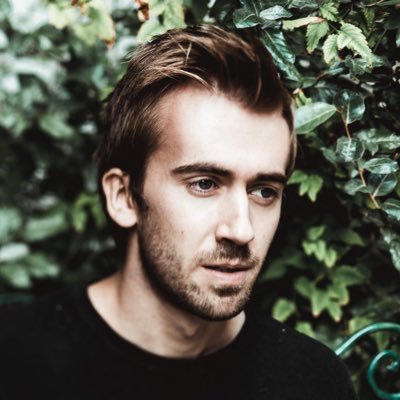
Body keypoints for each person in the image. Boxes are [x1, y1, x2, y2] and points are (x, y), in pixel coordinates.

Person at [0, 25, 356, 399]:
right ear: (123, 196)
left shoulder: (313, 383)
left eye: (264, 191)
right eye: (204, 184)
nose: (241, 230)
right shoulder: (14, 358)